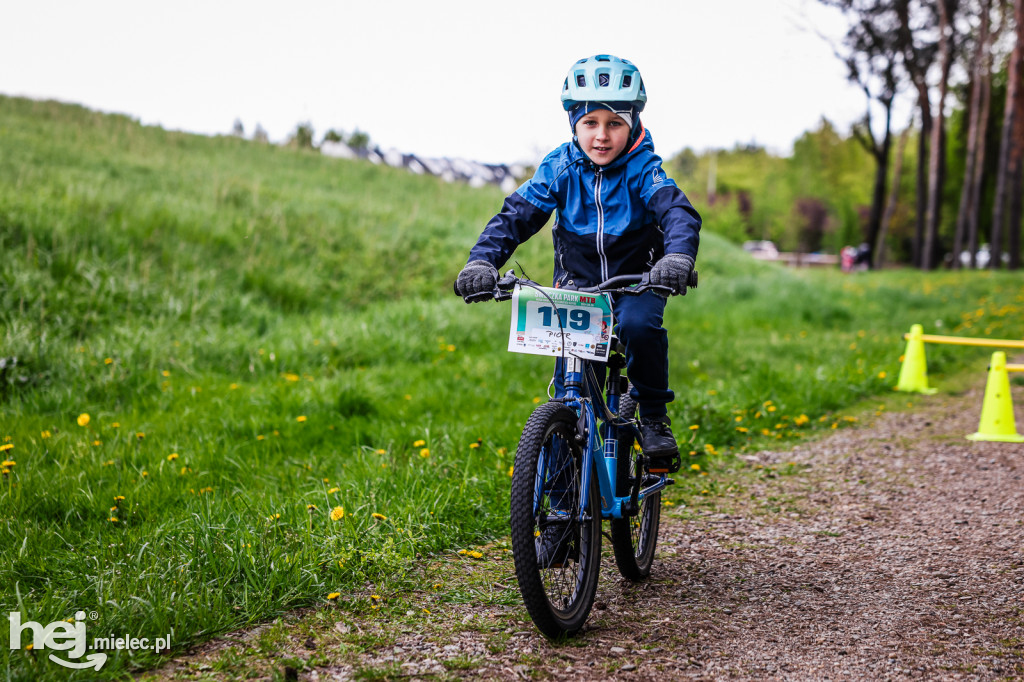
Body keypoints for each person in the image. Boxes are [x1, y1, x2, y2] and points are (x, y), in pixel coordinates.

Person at [455, 54, 701, 475]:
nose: (601, 136)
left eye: (614, 123)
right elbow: (515, 217)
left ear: (632, 123)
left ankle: (655, 416)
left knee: (640, 328)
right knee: (569, 391)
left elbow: (678, 212)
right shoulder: (560, 166)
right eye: (590, 123)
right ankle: (557, 513)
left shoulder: (644, 168)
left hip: (637, 280)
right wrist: (481, 261)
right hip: (576, 284)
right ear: (573, 123)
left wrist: (676, 257)